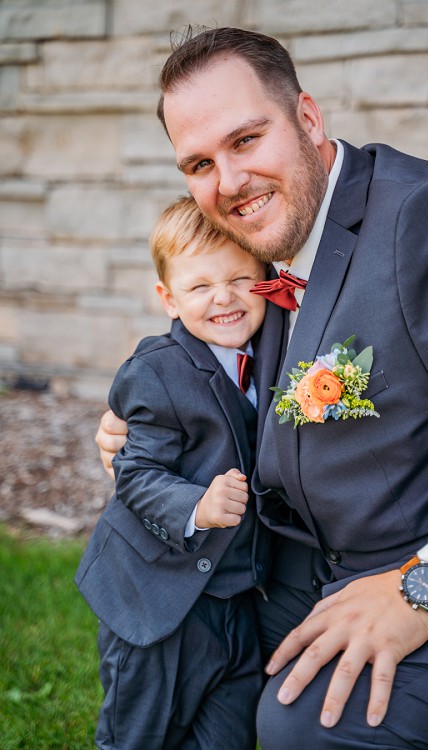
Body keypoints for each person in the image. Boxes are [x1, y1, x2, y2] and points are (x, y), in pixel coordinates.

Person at [95, 26, 428, 750]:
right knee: (184, 652)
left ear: (308, 118)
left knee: (303, 723)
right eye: (199, 163)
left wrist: (423, 589)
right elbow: (208, 347)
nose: (227, 183)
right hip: (298, 564)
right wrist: (141, 413)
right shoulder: (264, 250)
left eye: (246, 140)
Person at [75, 194, 271, 750]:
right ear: (167, 298)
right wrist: (196, 507)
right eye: (200, 286)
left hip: (234, 597)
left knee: (228, 730)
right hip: (154, 599)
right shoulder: (157, 372)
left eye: (240, 279)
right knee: (142, 732)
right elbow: (134, 472)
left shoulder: (271, 354)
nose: (224, 298)